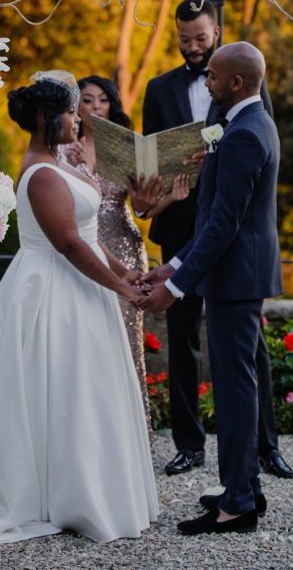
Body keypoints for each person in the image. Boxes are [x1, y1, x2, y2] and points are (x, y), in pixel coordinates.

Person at [0, 73, 158, 544]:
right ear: (49, 118)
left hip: (82, 289)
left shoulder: (61, 164)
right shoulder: (41, 174)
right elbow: (67, 244)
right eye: (69, 111)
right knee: (62, 390)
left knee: (86, 391)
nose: (76, 118)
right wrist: (123, 292)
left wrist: (125, 274)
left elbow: (89, 234)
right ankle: (67, 496)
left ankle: (94, 491)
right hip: (51, 292)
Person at [141, 0, 292, 481]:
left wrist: (176, 281)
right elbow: (150, 160)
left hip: (231, 251)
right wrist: (175, 260)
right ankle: (214, 469)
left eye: (201, 41)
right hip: (190, 230)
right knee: (201, 357)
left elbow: (234, 209)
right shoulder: (163, 90)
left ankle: (250, 476)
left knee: (241, 371)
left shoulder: (246, 120)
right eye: (184, 41)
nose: (194, 53)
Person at [60, 74, 190, 443]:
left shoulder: (126, 146)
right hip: (81, 242)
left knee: (125, 343)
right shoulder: (63, 146)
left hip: (124, 243)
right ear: (76, 106)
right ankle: (84, 435)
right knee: (84, 336)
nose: (97, 106)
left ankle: (130, 438)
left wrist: (171, 198)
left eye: (103, 100)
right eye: (88, 100)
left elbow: (143, 210)